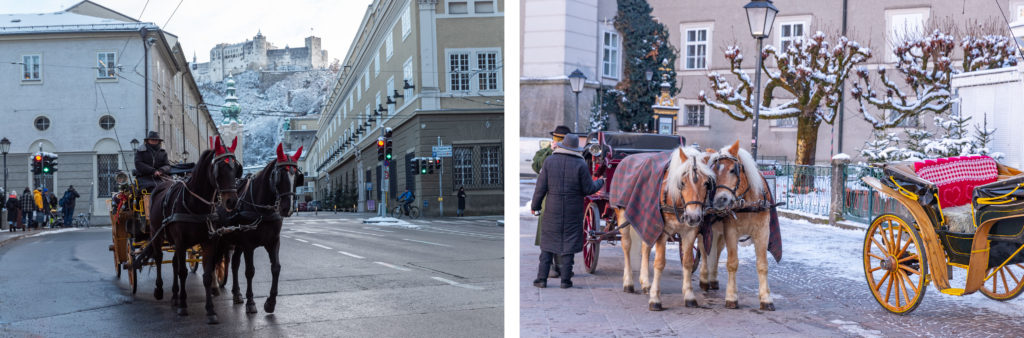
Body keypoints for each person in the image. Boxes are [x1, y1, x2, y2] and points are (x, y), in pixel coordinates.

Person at [530, 134, 604, 289]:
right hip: (573, 210)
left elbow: (540, 188)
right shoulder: (580, 164)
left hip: (552, 209)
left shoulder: (549, 162)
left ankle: (541, 279)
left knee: (548, 245)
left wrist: (535, 206)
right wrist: (600, 182)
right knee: (569, 245)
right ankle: (565, 281)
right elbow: (588, 189)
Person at [533, 125, 571, 278]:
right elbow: (538, 166)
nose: (556, 141)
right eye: (555, 138)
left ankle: (562, 266)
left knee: (563, 234)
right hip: (548, 200)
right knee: (547, 233)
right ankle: (548, 267)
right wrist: (550, 150)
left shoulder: (573, 154)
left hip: (565, 199)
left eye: (560, 139)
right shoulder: (544, 153)